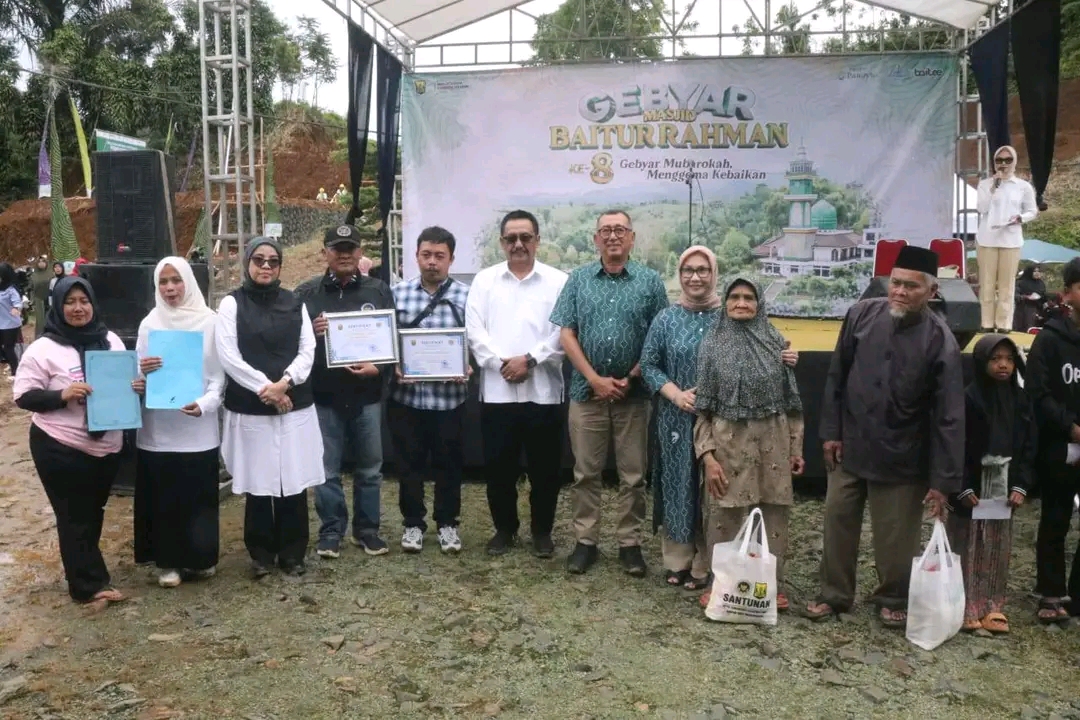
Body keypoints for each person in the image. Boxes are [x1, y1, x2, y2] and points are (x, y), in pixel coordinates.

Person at [807, 245, 964, 628]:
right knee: (838, 521)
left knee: (896, 538)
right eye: (895, 283)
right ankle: (834, 594)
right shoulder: (862, 314)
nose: (899, 292)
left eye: (911, 286)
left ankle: (892, 597)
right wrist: (831, 432)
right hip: (851, 444)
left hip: (902, 456)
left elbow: (949, 416)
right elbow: (836, 378)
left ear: (931, 291)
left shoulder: (939, 339)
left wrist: (943, 481)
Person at [641, 250, 797, 590]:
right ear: (679, 274)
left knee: (719, 493)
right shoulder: (666, 319)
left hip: (725, 423)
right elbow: (649, 365)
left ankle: (709, 564)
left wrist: (785, 354)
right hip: (677, 419)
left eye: (703, 270)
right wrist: (676, 394)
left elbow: (763, 345)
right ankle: (678, 559)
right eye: (687, 270)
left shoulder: (726, 314)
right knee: (681, 486)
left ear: (715, 274)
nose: (695, 277)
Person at [549, 209, 668, 576]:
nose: (613, 236)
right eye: (606, 230)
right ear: (595, 239)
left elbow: (658, 335)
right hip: (588, 394)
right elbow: (566, 333)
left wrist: (631, 376)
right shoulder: (579, 279)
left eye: (620, 230)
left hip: (634, 396)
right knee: (586, 473)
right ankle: (586, 542)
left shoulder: (650, 281)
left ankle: (629, 544)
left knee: (634, 475)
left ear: (631, 237)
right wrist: (596, 378)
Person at [12, 277, 127, 608]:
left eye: (84, 301)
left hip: (105, 446)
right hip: (59, 446)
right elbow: (23, 396)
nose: (78, 308)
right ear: (57, 307)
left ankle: (86, 572)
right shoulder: (44, 349)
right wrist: (62, 395)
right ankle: (88, 586)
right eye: (70, 302)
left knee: (92, 512)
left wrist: (134, 387)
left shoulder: (110, 341)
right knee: (74, 515)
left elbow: (121, 384)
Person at [693, 277, 805, 610]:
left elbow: (792, 402)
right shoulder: (711, 345)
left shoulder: (775, 343)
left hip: (773, 442)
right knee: (723, 514)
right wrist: (708, 457)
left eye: (749, 297)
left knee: (773, 513)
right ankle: (723, 585)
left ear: (760, 304)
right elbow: (703, 411)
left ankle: (770, 585)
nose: (742, 303)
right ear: (725, 302)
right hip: (728, 442)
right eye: (735, 297)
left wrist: (797, 448)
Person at [216, 238, 325, 577]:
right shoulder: (231, 305)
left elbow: (308, 350)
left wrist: (285, 383)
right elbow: (228, 356)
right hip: (253, 406)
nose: (266, 266)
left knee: (292, 480)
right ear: (247, 262)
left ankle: (293, 554)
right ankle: (261, 554)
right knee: (260, 482)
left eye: (273, 261)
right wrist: (267, 389)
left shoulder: (296, 303)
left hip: (293, 404)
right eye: (259, 260)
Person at [465, 210, 568, 558]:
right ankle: (505, 530)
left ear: (537, 240)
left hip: (544, 392)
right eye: (511, 238)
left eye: (526, 237)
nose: (519, 244)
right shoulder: (484, 281)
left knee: (545, 471)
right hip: (497, 391)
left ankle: (542, 533)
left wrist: (531, 359)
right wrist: (502, 363)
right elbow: (474, 332)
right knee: (499, 469)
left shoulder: (558, 281)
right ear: (502, 242)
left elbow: (563, 332)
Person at [296, 225, 395, 559]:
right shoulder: (306, 293)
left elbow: (391, 339)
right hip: (324, 396)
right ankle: (331, 531)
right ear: (325, 251)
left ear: (360, 251)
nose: (344, 254)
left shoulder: (378, 290)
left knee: (370, 468)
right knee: (327, 470)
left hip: (367, 395)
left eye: (350, 248)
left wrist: (378, 368)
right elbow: (291, 345)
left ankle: (367, 531)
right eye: (337, 248)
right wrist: (310, 331)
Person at [131, 257, 225, 588]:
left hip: (198, 430)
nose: (170, 288)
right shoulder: (149, 324)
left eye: (176, 280)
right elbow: (137, 374)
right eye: (163, 282)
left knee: (197, 498)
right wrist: (143, 375)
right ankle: (168, 562)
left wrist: (204, 404)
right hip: (159, 431)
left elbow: (218, 376)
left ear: (188, 281)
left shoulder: (210, 322)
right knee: (165, 497)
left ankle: (199, 559)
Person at [389, 226, 471, 554]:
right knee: (408, 464)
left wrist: (468, 364)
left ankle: (448, 523)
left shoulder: (467, 296)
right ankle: (412, 524)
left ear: (451, 259)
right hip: (406, 398)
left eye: (439, 256)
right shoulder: (397, 294)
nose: (432, 262)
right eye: (426, 255)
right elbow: (386, 338)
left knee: (449, 464)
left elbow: (476, 340)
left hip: (450, 399)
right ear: (416, 256)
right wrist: (394, 363)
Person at [947, 334, 1034, 633]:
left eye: (1009, 359)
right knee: (969, 542)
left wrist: (1021, 484)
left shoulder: (1021, 400)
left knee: (998, 542)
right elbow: (957, 444)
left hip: (1005, 480)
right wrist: (963, 485)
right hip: (973, 480)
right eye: (996, 358)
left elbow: (1027, 445)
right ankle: (966, 604)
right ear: (983, 361)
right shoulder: (969, 397)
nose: (1003, 365)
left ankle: (993, 606)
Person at [1025, 256, 1080, 622]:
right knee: (1056, 518)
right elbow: (1038, 393)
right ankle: (1051, 593)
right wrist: (1071, 428)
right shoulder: (1049, 340)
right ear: (1067, 294)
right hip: (1061, 444)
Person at [976, 145, 1038, 333]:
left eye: (1007, 160)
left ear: (1014, 162)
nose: (1003, 164)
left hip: (1011, 240)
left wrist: (1021, 218)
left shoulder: (1023, 186)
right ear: (994, 163)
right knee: (986, 283)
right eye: (999, 160)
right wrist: (994, 186)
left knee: (1007, 285)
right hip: (987, 239)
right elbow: (982, 208)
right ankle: (986, 323)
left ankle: (1003, 324)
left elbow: (1032, 211)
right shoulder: (985, 184)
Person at [0, 263, 23, 377]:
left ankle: (16, 372)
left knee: (9, 348)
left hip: (11, 324)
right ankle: (8, 361)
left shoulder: (11, 289)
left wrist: (16, 308)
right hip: (1, 323)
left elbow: (17, 302)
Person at [1013, 265, 1047, 332]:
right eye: (1034, 271)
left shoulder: (1041, 284)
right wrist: (1027, 297)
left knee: (1032, 331)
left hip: (1036, 312)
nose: (1037, 273)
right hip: (1022, 311)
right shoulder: (1020, 282)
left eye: (1038, 271)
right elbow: (1015, 296)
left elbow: (1043, 296)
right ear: (1029, 272)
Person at [30, 257, 51, 339]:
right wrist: (32, 300)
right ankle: (41, 337)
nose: (41, 263)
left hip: (50, 299)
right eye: (39, 262)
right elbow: (31, 288)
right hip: (39, 299)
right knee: (41, 320)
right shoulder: (34, 275)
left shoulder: (51, 273)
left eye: (43, 261)